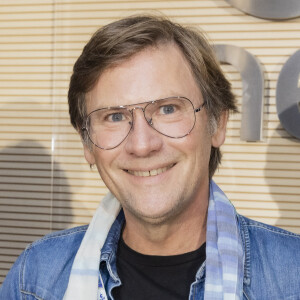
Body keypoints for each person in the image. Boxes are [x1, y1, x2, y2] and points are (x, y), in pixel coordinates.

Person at [1, 15, 299, 300]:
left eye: (168, 109)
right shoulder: (35, 279)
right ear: (87, 144)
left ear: (217, 125)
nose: (142, 145)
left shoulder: (292, 278)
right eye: (115, 116)